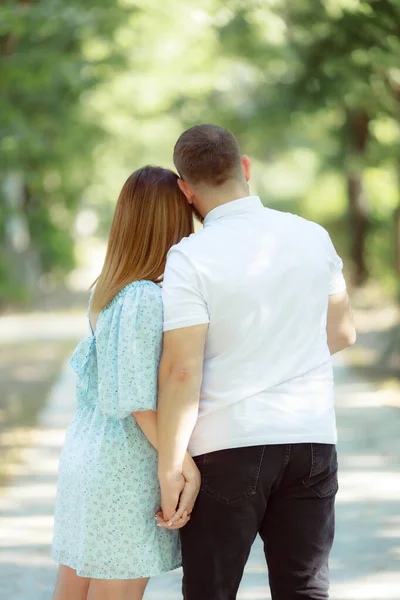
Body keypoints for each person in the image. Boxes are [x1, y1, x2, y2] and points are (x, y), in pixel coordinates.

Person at [156, 125, 356, 600]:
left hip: (229, 445)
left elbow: (182, 370)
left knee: (212, 590)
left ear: (186, 190)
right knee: (305, 588)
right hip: (311, 438)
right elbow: (344, 332)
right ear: (245, 168)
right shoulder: (313, 236)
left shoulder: (189, 257)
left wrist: (170, 467)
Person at [52, 166, 200, 600]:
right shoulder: (145, 298)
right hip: (123, 468)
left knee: (73, 588)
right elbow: (137, 400)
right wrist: (181, 464)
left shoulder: (111, 291)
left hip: (90, 456)